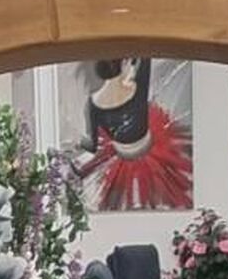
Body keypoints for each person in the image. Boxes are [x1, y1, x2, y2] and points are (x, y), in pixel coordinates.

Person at [69, 58, 192, 212]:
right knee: (165, 193)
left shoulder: (93, 102)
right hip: (147, 148)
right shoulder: (135, 88)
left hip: (123, 152)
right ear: (123, 65)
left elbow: (93, 145)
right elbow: (145, 59)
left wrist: (79, 143)